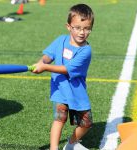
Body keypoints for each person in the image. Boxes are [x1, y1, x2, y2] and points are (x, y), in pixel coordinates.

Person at [32, 3, 94, 150]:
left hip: (77, 91)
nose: (81, 32)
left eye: (86, 28)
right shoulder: (61, 40)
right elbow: (49, 55)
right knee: (60, 119)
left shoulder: (86, 51)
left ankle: (71, 143)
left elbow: (67, 69)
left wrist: (45, 67)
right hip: (60, 88)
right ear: (68, 27)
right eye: (77, 28)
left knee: (86, 123)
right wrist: (41, 62)